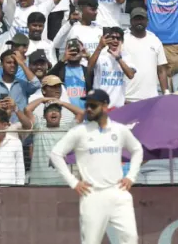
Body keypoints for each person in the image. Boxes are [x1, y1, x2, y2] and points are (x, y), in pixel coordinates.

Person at [50, 89, 142, 244]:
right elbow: (55, 154)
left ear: (105, 106)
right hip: (92, 195)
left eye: (93, 105)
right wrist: (73, 182)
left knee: (131, 239)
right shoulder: (80, 132)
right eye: (87, 105)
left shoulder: (119, 130)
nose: (88, 109)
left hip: (118, 192)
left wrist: (131, 176)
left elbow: (137, 149)